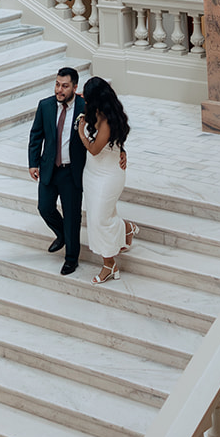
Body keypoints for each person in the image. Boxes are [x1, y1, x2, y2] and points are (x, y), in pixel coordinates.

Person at [76, 76, 138, 286]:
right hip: (91, 174)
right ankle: (126, 228)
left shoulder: (109, 120)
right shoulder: (96, 111)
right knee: (97, 216)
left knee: (100, 220)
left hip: (108, 176)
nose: (84, 99)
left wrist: (81, 133)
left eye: (87, 95)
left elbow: (94, 149)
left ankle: (109, 264)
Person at [28, 66, 86, 276]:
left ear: (75, 87)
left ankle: (71, 259)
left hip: (72, 172)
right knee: (44, 208)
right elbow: (36, 135)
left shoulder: (84, 107)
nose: (59, 90)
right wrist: (33, 163)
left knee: (72, 216)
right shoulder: (45, 106)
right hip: (49, 168)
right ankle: (62, 234)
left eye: (64, 86)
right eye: (57, 84)